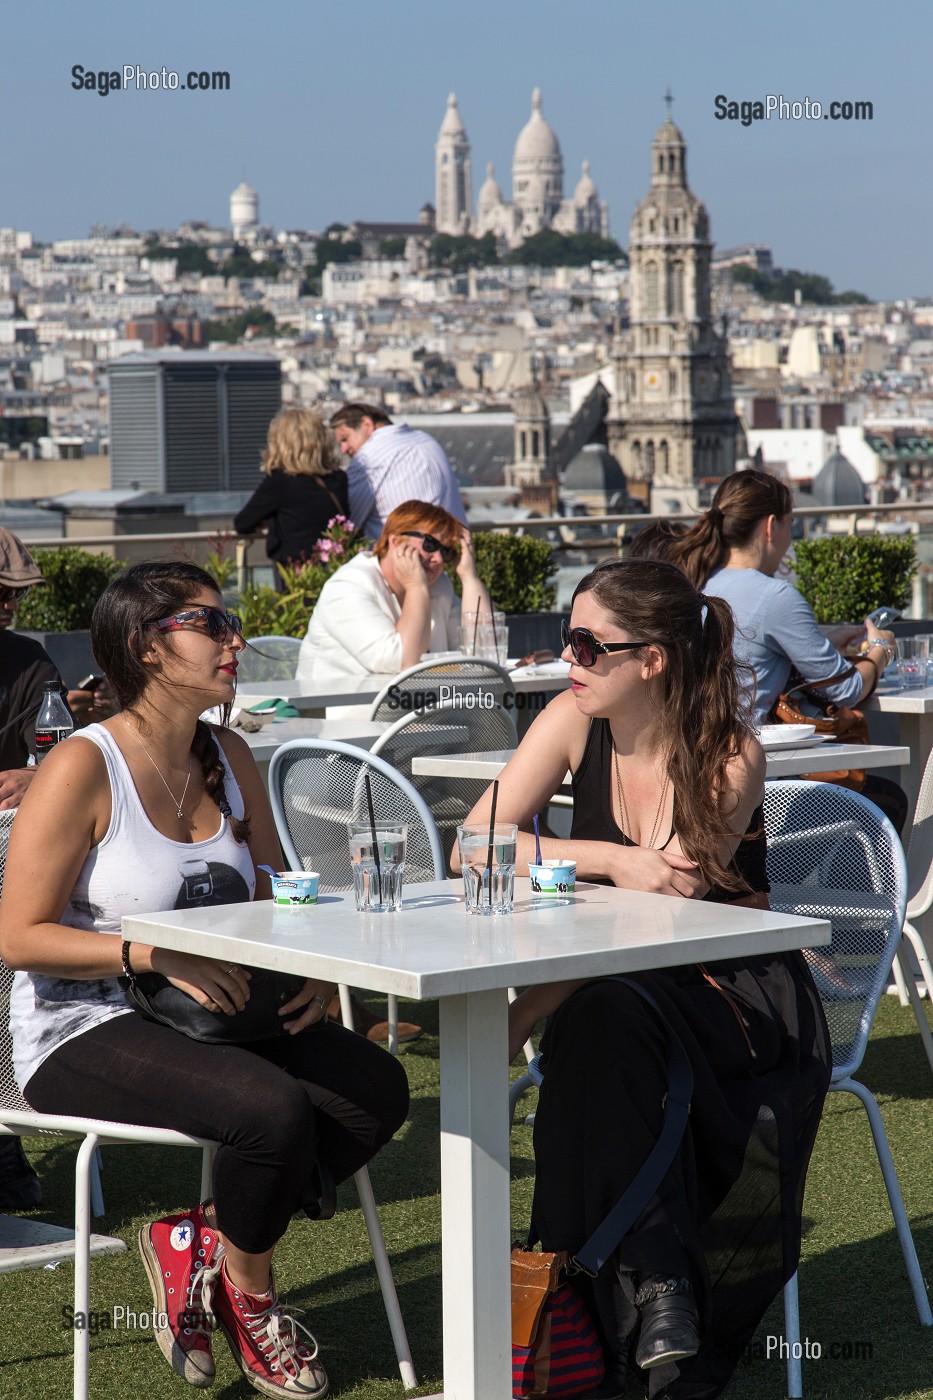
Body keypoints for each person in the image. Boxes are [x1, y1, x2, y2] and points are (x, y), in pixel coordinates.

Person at [0, 561, 409, 1397]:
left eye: (230, 623)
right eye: (209, 624)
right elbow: (17, 936)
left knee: (374, 1084)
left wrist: (309, 974)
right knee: (269, 1111)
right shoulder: (84, 765)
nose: (236, 641)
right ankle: (251, 1295)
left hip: (218, 1011)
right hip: (83, 1024)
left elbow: (271, 895)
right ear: (147, 648)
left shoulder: (228, 752)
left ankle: (200, 1238)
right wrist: (152, 955)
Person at [453, 558, 831, 1399]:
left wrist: (523, 1010)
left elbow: (670, 911)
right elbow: (472, 845)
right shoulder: (568, 720)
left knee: (603, 1027)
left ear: (650, 659)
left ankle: (615, 1309)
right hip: (601, 985)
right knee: (605, 1027)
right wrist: (610, 857)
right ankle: (657, 1292)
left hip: (726, 992)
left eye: (588, 645)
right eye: (566, 640)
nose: (567, 661)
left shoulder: (729, 753)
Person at [667, 468, 905, 831]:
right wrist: (879, 650)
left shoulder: (696, 583)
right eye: (791, 525)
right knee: (887, 799)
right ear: (770, 526)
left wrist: (824, 640)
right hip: (755, 794)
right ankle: (826, 891)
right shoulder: (776, 595)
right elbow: (845, 689)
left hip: (693, 784)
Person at [0, 526, 112, 1213]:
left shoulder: (29, 663)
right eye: (0, 592)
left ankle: (9, 1130)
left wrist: (36, 772)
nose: (10, 604)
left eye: (15, 594)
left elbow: (53, 761)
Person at [297, 500, 490, 687]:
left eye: (447, 552)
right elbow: (401, 662)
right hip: (339, 716)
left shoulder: (439, 587)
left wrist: (469, 576)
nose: (438, 558)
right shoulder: (347, 587)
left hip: (413, 713)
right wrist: (416, 586)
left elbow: (482, 651)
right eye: (430, 545)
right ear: (396, 541)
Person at [233, 407, 349, 586]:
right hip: (336, 570)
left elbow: (242, 523)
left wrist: (270, 521)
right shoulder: (338, 478)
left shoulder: (279, 482)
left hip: (295, 577)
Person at [329, 401, 467, 540]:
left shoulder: (368, 457)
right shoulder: (426, 439)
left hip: (406, 554)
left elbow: (349, 526)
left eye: (345, 439)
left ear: (367, 425)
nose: (344, 449)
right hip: (453, 547)